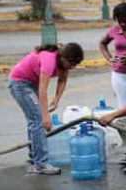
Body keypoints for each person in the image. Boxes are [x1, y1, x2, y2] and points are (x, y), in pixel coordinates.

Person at [9, 43, 84, 174]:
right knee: (38, 121)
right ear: (64, 59)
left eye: (75, 64)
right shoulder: (49, 60)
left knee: (34, 120)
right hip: (20, 84)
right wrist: (46, 117)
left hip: (31, 83)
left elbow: (62, 80)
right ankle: (41, 164)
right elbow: (43, 90)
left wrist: (56, 99)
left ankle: (35, 158)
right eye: (72, 63)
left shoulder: (63, 62)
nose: (73, 67)